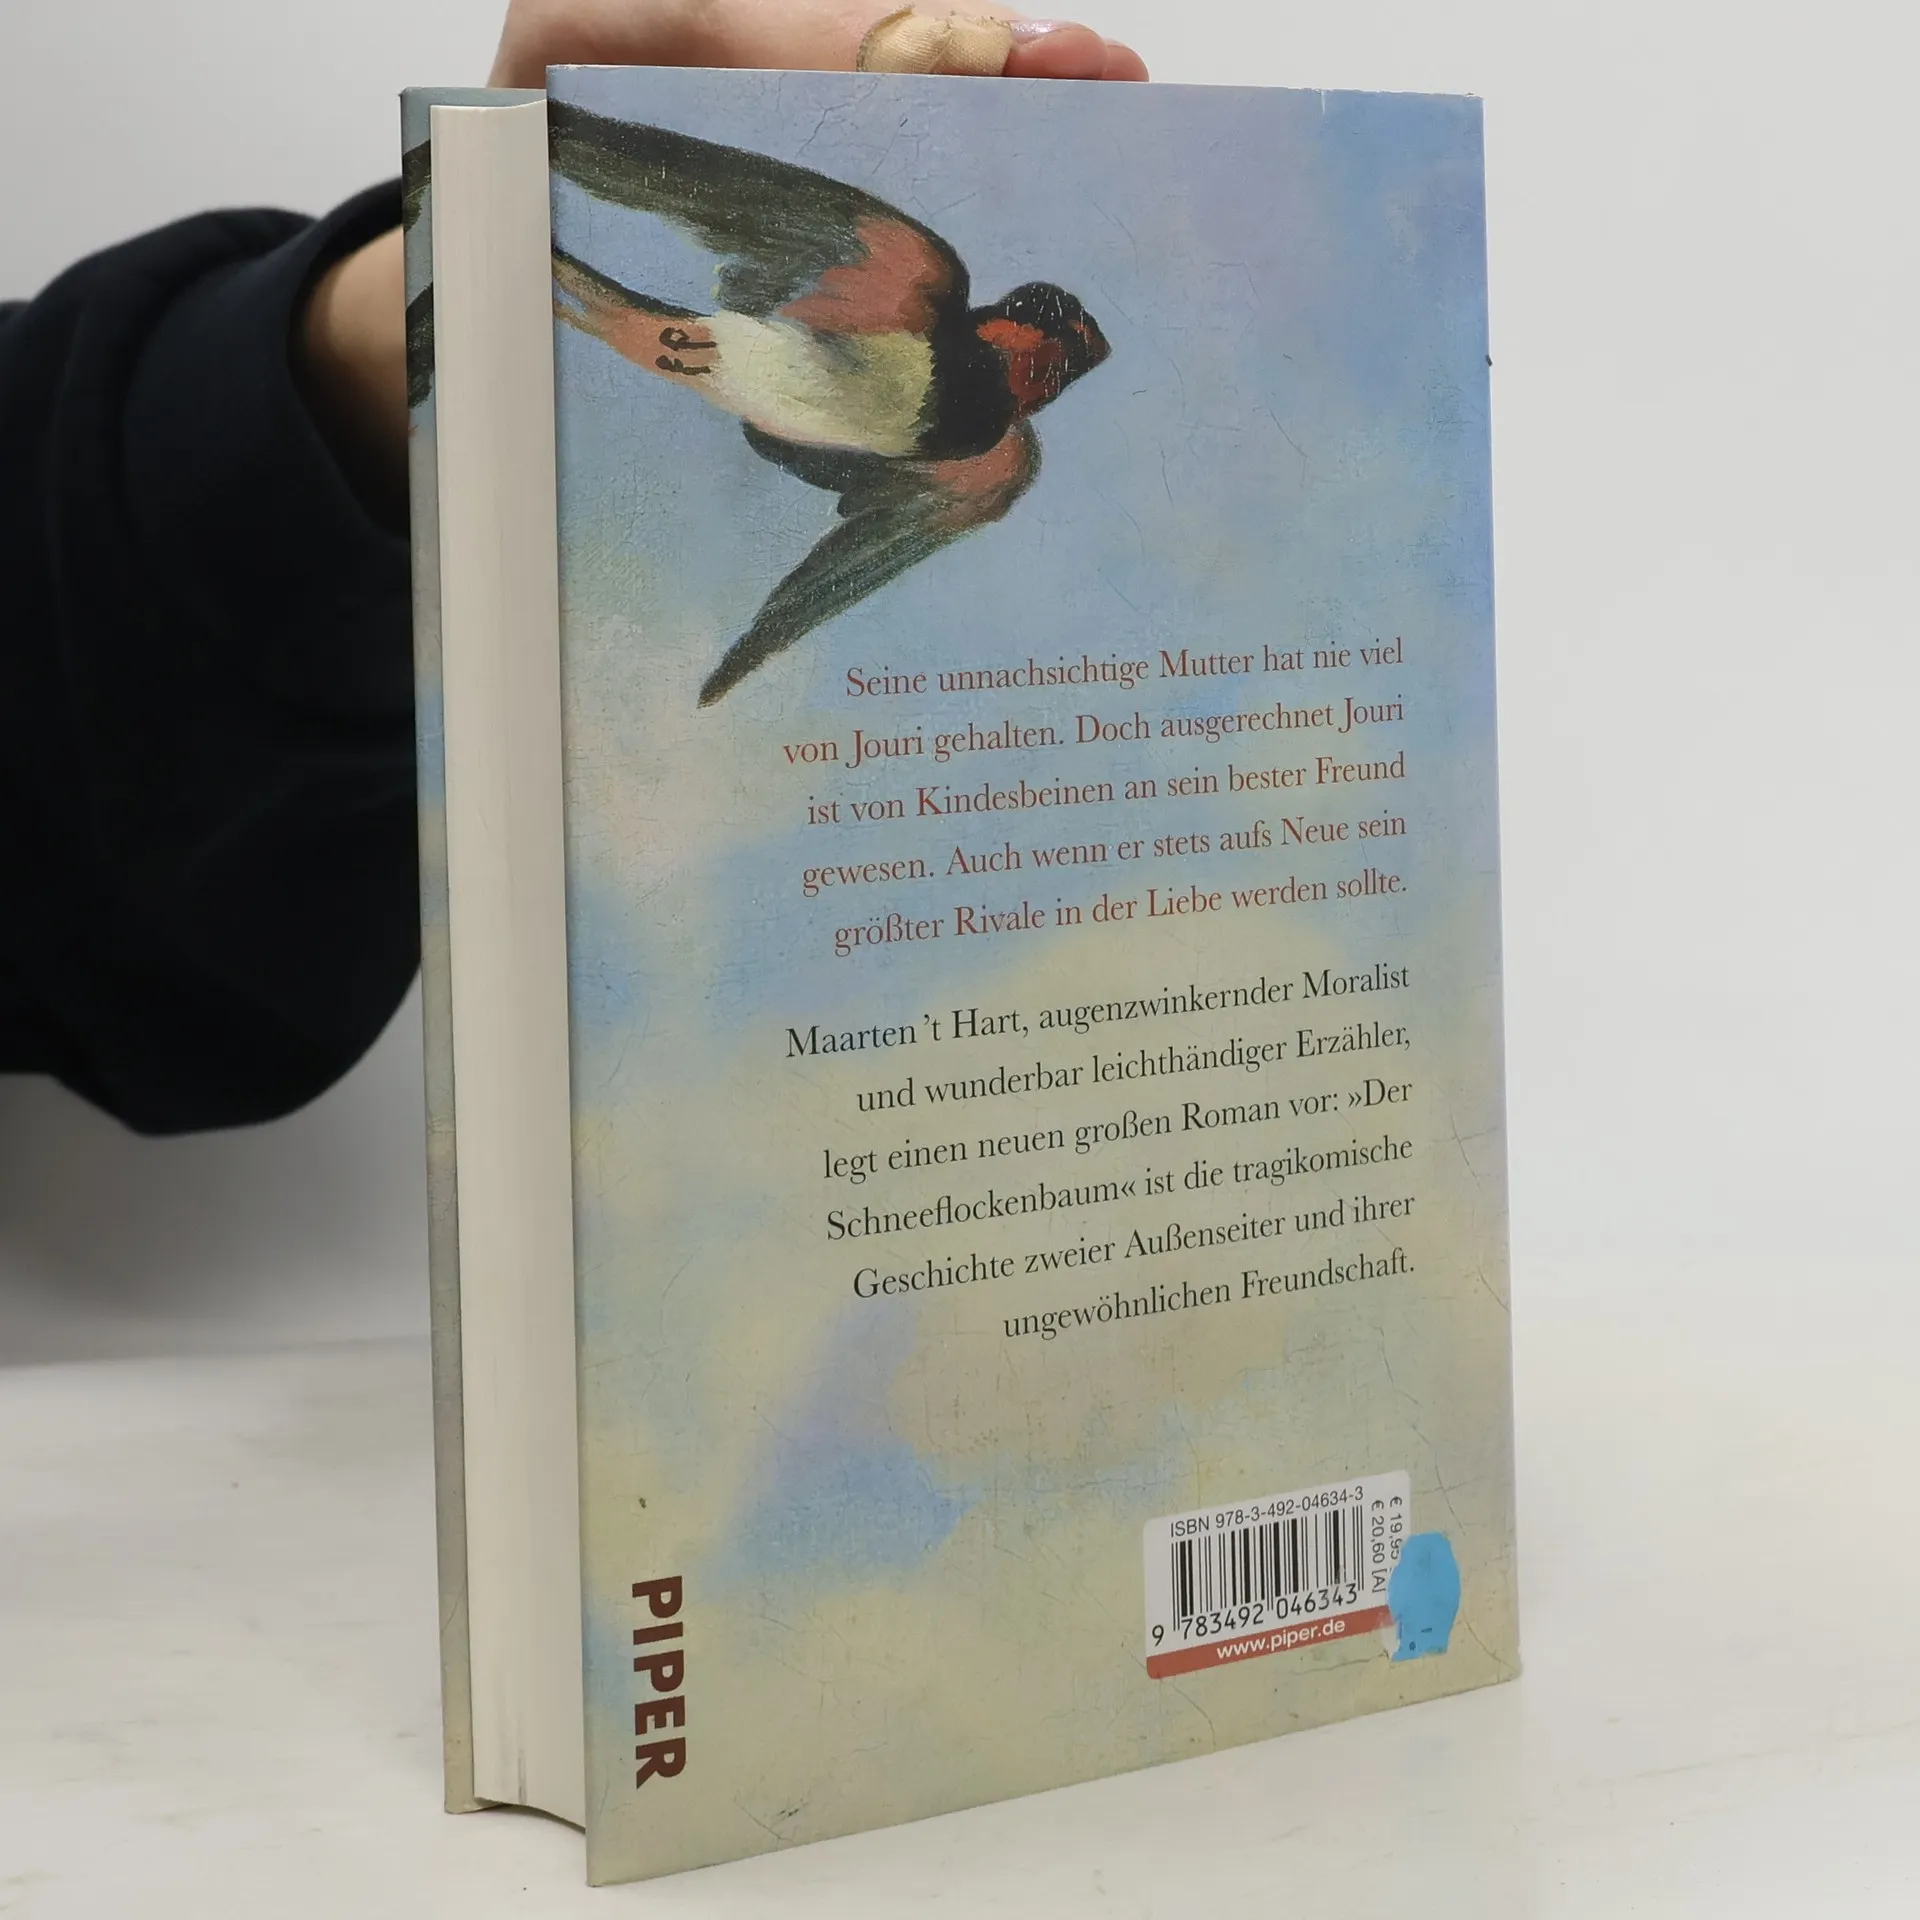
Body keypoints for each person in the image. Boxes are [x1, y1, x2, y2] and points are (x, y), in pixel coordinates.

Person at [0, 1, 1147, 1136]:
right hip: (734, 354)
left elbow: (141, 975)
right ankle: (491, 277)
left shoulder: (990, 460)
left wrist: (397, 319)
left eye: (1058, 377)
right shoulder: (913, 276)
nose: (1041, 379)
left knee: (584, 315)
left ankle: (476, 293)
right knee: (596, 306)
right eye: (1044, 350)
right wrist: (551, 158)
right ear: (1010, 321)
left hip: (724, 395)